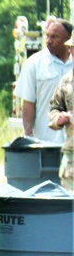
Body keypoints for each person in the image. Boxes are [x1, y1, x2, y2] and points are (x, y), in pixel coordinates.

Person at [15, 19, 73, 143]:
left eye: (54, 37)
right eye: (47, 36)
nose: (48, 41)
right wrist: (29, 136)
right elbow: (28, 103)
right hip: (46, 141)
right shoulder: (34, 64)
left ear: (67, 40)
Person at [48, 34, 74, 190]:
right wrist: (58, 118)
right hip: (72, 157)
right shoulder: (66, 81)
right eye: (71, 49)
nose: (72, 52)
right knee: (70, 207)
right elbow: (54, 108)